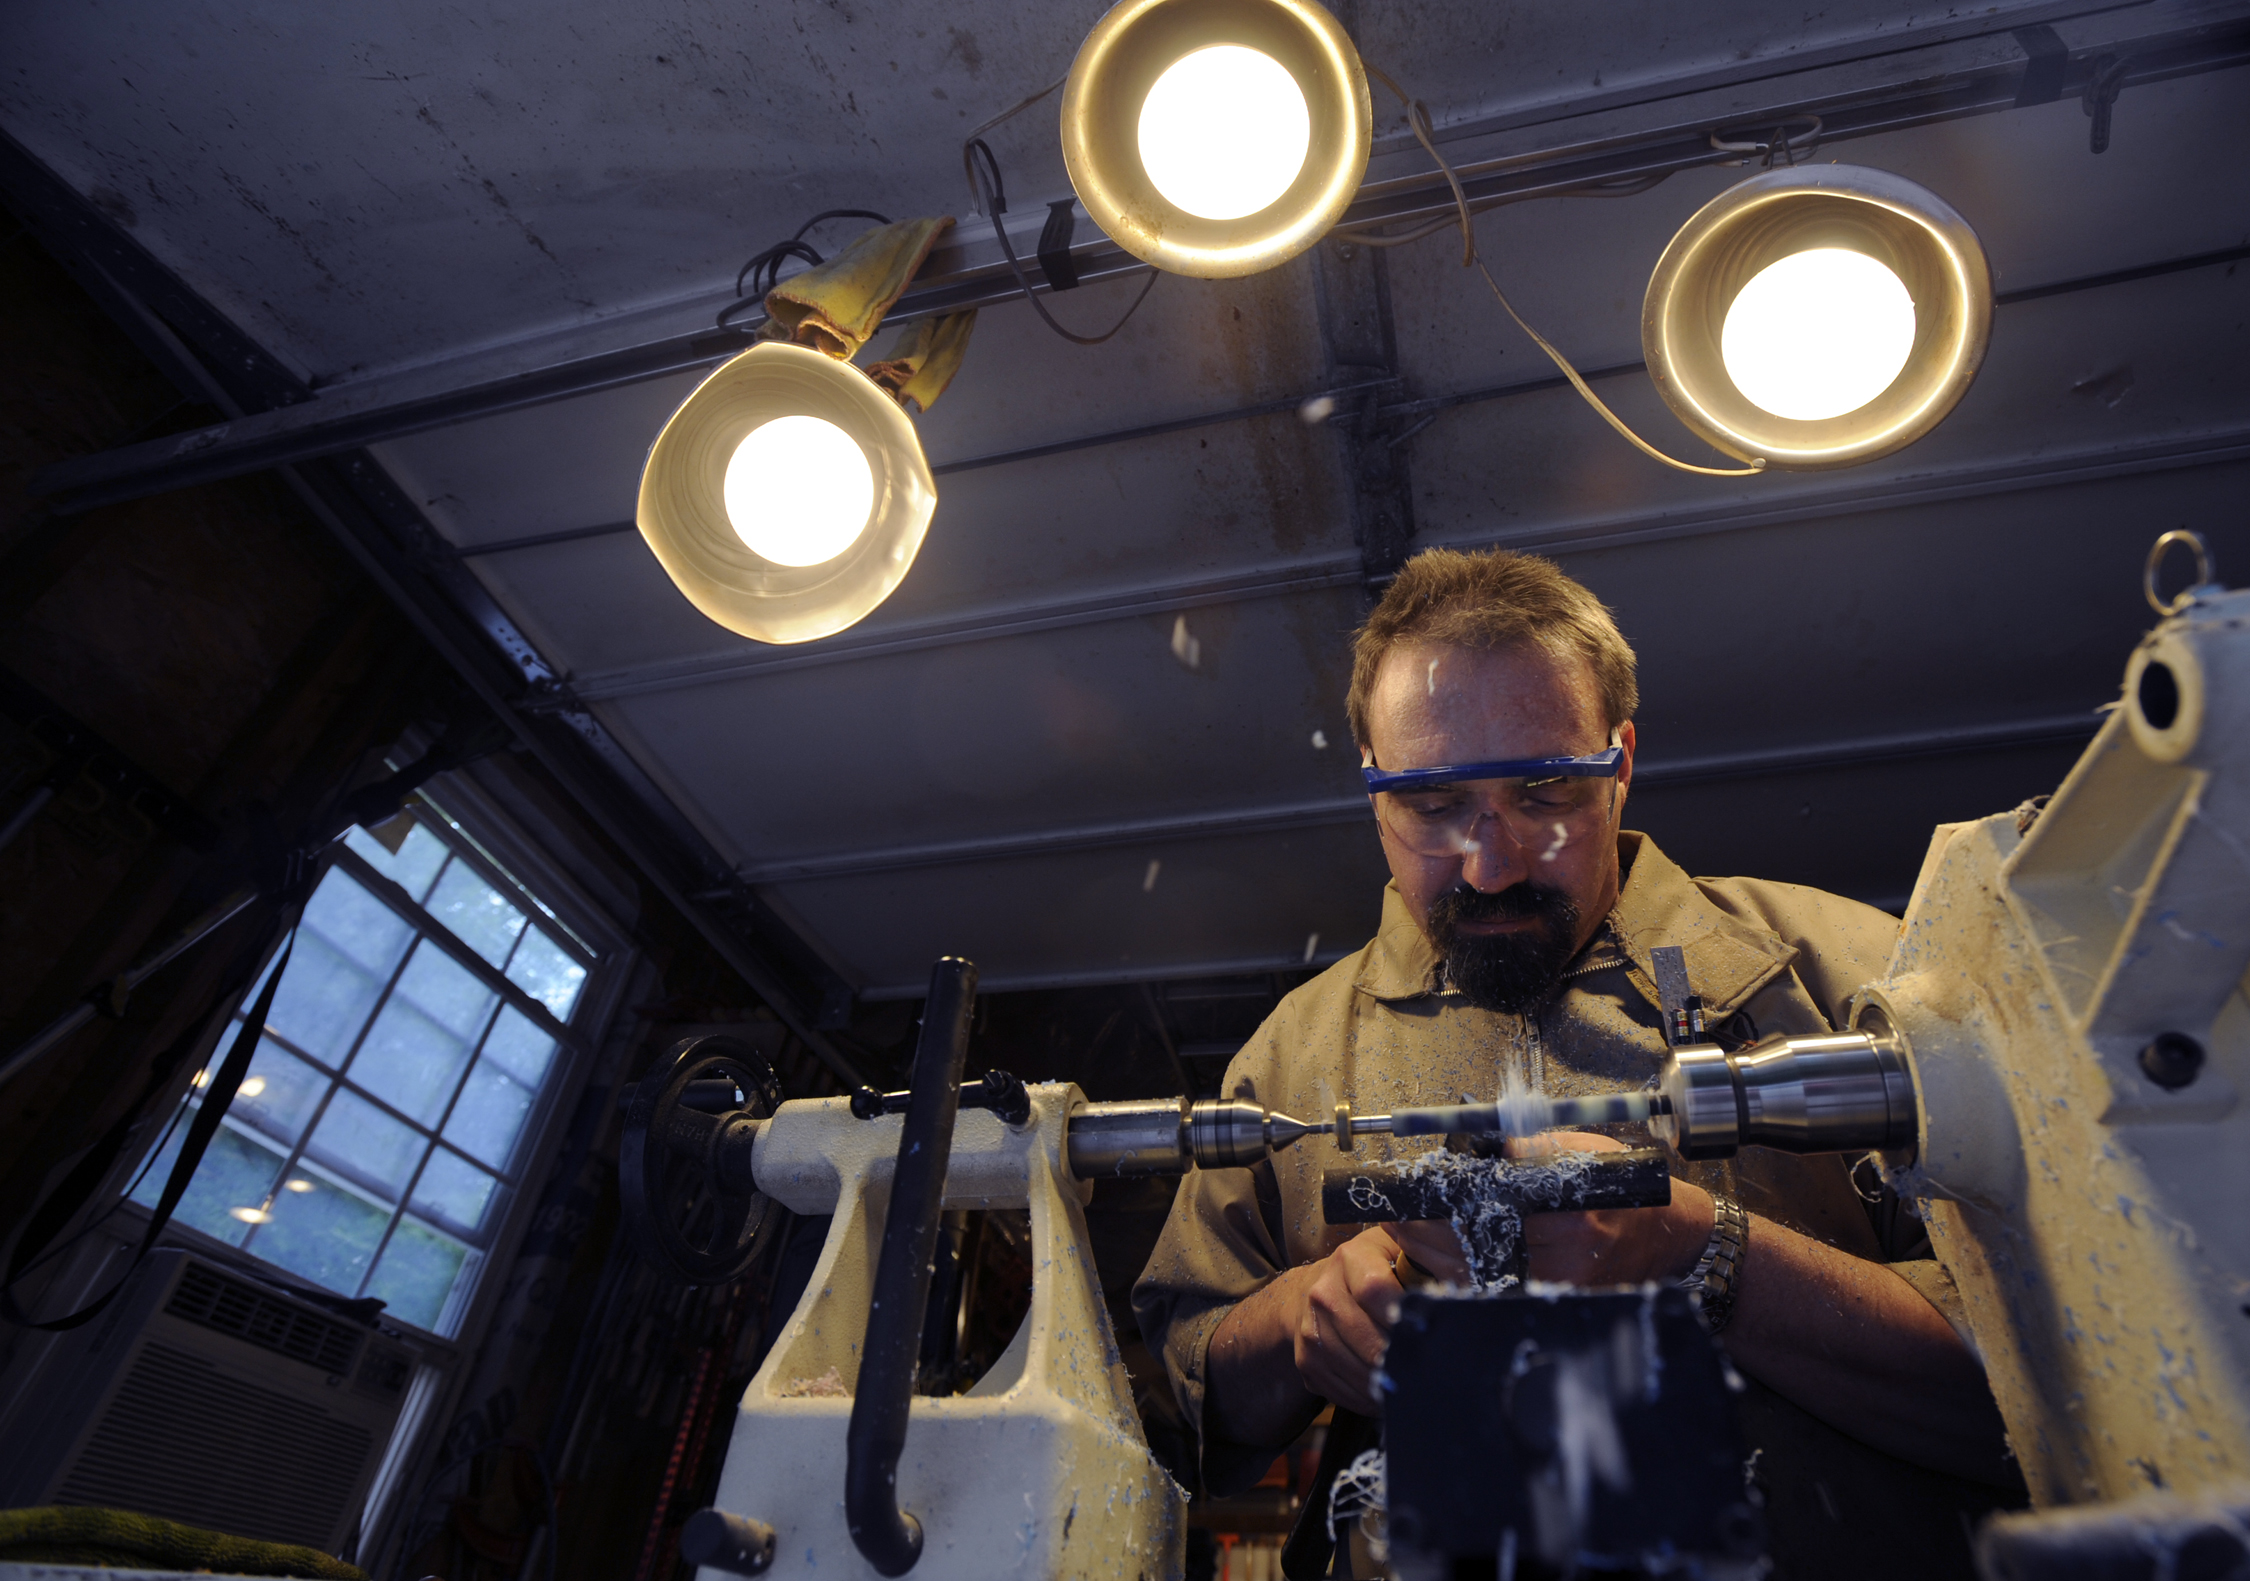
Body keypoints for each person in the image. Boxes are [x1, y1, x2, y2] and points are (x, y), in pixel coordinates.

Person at [1131, 547, 2023, 1577]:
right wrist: (1301, 1320)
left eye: (1546, 788)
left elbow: (2074, 1366)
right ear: (1371, 788)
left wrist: (1704, 1254)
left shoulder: (1855, 977)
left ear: (1622, 760)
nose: (1492, 861)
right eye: (1431, 804)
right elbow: (1181, 1406)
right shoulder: (1294, 1055)